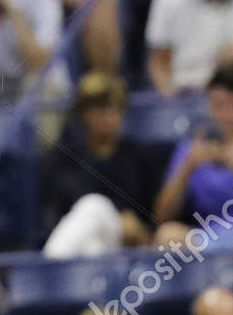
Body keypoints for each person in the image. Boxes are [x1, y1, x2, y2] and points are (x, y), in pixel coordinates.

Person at [40, 72, 162, 257]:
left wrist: (139, 227)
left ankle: (50, 270)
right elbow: (68, 201)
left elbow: (151, 208)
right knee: (93, 223)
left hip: (130, 242)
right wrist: (120, 213)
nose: (109, 117)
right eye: (101, 109)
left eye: (116, 109)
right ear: (85, 113)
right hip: (86, 237)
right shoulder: (66, 156)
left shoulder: (138, 155)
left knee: (93, 208)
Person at [153, 65, 233, 228]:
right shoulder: (190, 150)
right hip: (201, 237)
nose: (228, 115)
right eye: (219, 105)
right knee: (168, 235)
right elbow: (162, 215)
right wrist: (187, 167)